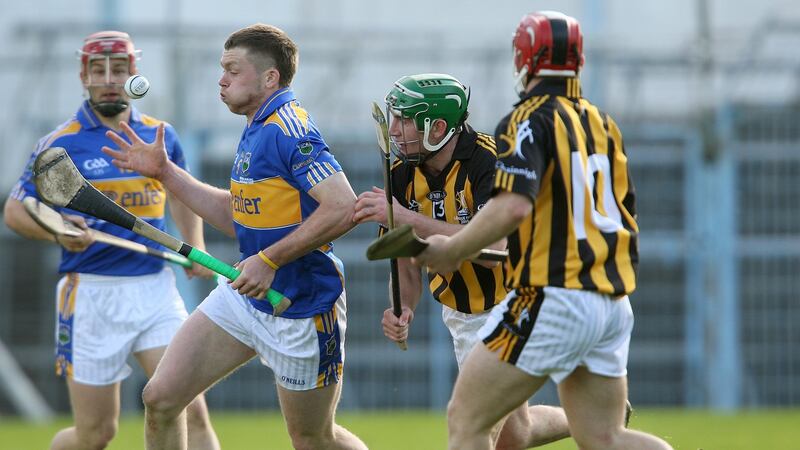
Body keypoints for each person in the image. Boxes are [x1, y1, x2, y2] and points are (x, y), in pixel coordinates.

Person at [412, 12, 674, 450]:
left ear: (524, 61)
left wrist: (454, 248)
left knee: (467, 420)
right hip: (611, 301)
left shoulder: (526, 119)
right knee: (606, 437)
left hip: (554, 294)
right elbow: (624, 208)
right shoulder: (603, 124)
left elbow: (513, 203)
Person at [101, 24, 367, 450]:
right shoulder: (256, 126)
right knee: (161, 398)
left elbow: (342, 207)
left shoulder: (290, 129)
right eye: (221, 69)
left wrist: (271, 260)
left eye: (233, 70)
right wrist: (166, 174)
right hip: (246, 297)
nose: (221, 80)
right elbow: (239, 215)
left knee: (313, 438)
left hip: (302, 304)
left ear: (270, 78)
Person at [3, 31, 219, 450]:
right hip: (90, 295)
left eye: (118, 70)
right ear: (83, 76)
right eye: (97, 70)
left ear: (133, 75)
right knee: (96, 434)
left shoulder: (160, 136)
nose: (108, 79)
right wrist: (58, 231)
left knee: (188, 409)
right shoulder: (60, 143)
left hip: (155, 289)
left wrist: (195, 244)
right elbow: (15, 211)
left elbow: (181, 194)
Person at [353, 73, 572, 449]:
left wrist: (405, 217)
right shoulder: (402, 172)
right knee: (515, 433)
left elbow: (494, 251)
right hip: (462, 314)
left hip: (515, 302)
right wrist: (403, 306)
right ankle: (590, 419)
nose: (394, 129)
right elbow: (405, 260)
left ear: (438, 127)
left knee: (472, 420)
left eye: (405, 119)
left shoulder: (492, 161)